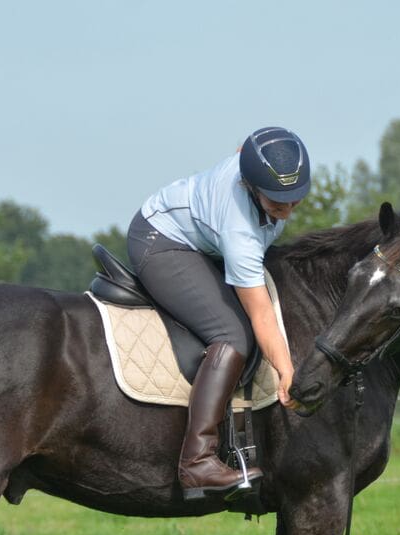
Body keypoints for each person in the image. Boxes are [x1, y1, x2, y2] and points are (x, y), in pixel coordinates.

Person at [126, 126, 309, 501]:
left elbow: (247, 145)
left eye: (295, 200)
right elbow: (260, 316)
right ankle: (197, 460)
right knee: (232, 334)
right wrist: (287, 371)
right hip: (161, 243)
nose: (287, 211)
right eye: (277, 203)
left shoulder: (255, 164)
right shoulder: (239, 231)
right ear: (250, 187)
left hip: (196, 241)